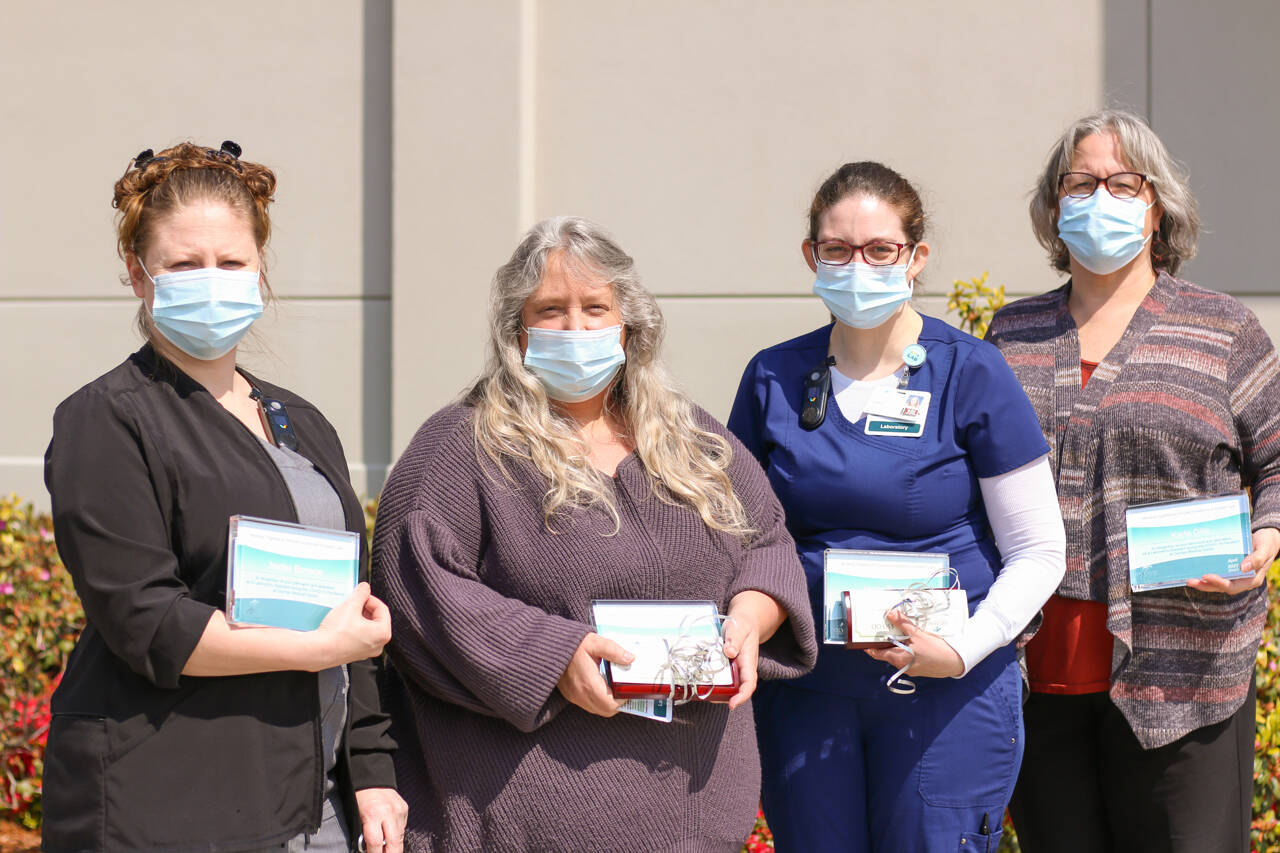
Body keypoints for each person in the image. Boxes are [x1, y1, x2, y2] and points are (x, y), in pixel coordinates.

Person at [372, 215, 817, 852]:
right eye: (551, 309)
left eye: (595, 307)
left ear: (629, 324)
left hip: (691, 806)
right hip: (523, 816)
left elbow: (767, 542)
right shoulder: (460, 445)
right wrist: (552, 657)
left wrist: (754, 612)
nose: (576, 329)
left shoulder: (694, 440)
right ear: (515, 330)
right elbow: (415, 584)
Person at [41, 141, 408, 853]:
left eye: (232, 262)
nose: (212, 280)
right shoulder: (106, 419)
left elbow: (349, 602)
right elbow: (145, 620)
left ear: (260, 269)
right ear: (138, 275)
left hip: (317, 808)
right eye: (183, 264)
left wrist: (371, 767)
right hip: (167, 808)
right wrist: (315, 647)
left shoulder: (300, 421)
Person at [728, 161, 1066, 852]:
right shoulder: (774, 376)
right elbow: (736, 539)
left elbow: (1039, 549)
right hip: (808, 692)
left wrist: (962, 649)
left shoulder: (971, 372)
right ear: (810, 256)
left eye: (880, 250)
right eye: (838, 249)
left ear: (916, 259)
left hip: (946, 692)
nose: (859, 265)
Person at [987, 109, 1280, 853]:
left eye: (1123, 182)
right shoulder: (1011, 334)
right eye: (1079, 182)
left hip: (1186, 670)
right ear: (1055, 207)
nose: (1099, 197)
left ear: (1156, 205)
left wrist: (1268, 537)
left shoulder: (1222, 329)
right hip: (1038, 669)